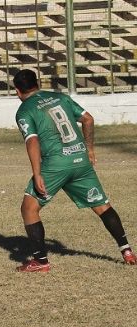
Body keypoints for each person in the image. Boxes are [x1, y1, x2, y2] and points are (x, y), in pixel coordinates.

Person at [12, 69, 135, 272]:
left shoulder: (25, 110)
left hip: (56, 165)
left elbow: (32, 141)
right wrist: (89, 149)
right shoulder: (60, 97)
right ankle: (127, 251)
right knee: (102, 206)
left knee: (29, 208)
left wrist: (37, 173)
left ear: (17, 91)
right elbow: (88, 119)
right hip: (80, 159)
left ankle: (40, 262)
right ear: (38, 83)